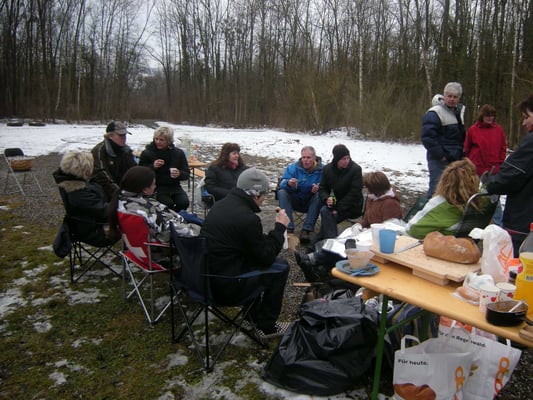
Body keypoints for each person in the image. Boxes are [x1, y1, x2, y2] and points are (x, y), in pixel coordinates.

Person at [200, 167, 290, 338]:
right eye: (264, 195)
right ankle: (267, 326)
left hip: (205, 277)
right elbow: (266, 258)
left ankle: (251, 317)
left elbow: (251, 244)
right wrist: (280, 228)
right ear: (255, 195)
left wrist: (268, 238)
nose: (264, 199)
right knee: (280, 267)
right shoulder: (247, 218)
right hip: (225, 287)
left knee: (251, 259)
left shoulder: (221, 205)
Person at [295, 171, 402, 282]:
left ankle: (313, 260)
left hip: (377, 241)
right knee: (341, 241)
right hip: (366, 234)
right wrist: (359, 225)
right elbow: (367, 218)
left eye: (368, 188)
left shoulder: (390, 203)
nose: (366, 190)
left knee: (347, 247)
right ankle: (318, 266)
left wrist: (367, 232)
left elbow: (391, 228)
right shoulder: (373, 198)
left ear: (376, 189)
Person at [484, 94, 533, 256]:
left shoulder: (531, 143)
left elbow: (509, 177)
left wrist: (490, 182)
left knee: (518, 265)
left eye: (526, 117)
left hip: (524, 221)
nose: (524, 122)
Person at [108, 166, 199, 244]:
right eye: (153, 184)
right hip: (169, 246)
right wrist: (200, 230)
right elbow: (182, 232)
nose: (155, 187)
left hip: (168, 225)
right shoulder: (146, 211)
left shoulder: (121, 199)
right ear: (145, 190)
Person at [53, 151, 118, 246]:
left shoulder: (69, 182)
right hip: (96, 232)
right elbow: (104, 211)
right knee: (133, 221)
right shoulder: (79, 193)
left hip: (84, 226)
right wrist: (120, 204)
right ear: (85, 171)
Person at [406, 158, 480, 239]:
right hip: (465, 242)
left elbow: (412, 230)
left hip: (439, 242)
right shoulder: (481, 200)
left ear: (445, 180)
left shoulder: (442, 205)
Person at [464, 104, 507, 226]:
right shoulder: (473, 129)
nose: (490, 118)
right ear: (482, 116)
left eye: (492, 115)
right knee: (471, 196)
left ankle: (499, 225)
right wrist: (469, 164)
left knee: (494, 199)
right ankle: (469, 222)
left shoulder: (498, 130)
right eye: (487, 115)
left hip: (492, 169)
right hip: (475, 168)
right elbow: (467, 148)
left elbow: (503, 147)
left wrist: (499, 163)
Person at [421, 82, 466, 198]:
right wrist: (441, 155)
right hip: (439, 160)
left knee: (451, 192)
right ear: (444, 95)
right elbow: (427, 137)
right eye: (449, 96)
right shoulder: (435, 112)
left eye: (455, 97)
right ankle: (426, 209)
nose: (452, 99)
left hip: (455, 159)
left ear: (459, 98)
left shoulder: (458, 113)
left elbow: (459, 137)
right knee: (436, 191)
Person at [314, 144, 364, 243]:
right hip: (334, 204)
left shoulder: (355, 170)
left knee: (327, 215)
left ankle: (325, 244)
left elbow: (354, 193)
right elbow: (322, 188)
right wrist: (326, 199)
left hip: (351, 207)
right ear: (337, 159)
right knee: (326, 212)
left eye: (348, 158)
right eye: (343, 159)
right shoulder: (327, 169)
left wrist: (338, 209)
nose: (346, 161)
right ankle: (328, 244)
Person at [138, 126, 190, 212]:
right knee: (167, 204)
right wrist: (153, 166)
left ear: (169, 141)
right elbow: (140, 173)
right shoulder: (147, 153)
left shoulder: (178, 153)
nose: (158, 142)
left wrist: (179, 174)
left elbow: (187, 173)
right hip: (156, 186)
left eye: (162, 140)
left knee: (183, 202)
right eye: (156, 139)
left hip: (174, 186)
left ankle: (175, 217)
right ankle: (167, 217)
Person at [277, 146, 323, 242]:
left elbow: (328, 187)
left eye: (308, 157)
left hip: (312, 203)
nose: (305, 160)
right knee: (282, 192)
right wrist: (288, 183)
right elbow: (281, 184)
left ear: (314, 158)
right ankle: (289, 228)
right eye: (303, 157)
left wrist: (319, 187)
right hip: (295, 201)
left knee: (320, 195)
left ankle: (306, 230)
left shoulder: (323, 170)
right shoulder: (293, 168)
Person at [91, 121, 137, 201]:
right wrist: (119, 193)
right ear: (110, 136)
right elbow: (102, 175)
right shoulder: (99, 151)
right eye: (120, 135)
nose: (124, 138)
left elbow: (133, 169)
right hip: (104, 194)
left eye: (125, 135)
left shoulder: (126, 150)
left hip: (124, 191)